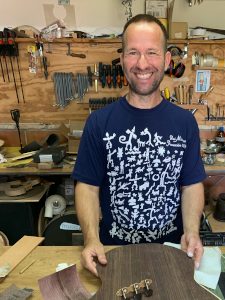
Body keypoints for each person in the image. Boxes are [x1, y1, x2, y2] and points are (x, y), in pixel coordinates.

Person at [71, 14, 206, 277]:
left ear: (167, 60)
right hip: (112, 255)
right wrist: (91, 239)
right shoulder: (99, 122)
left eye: (151, 53)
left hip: (172, 252)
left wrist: (192, 231)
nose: (142, 64)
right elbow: (87, 186)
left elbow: (191, 184)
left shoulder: (185, 123)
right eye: (133, 52)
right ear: (121, 59)